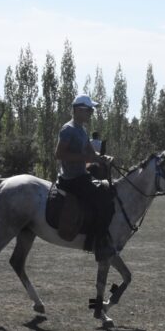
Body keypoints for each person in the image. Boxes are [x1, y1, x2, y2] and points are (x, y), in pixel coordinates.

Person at [54, 95, 115, 261]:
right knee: (104, 200)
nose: (91, 113)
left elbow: (90, 153)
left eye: (91, 110)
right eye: (89, 110)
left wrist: (103, 158)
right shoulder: (68, 129)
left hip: (81, 176)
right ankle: (96, 242)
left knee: (107, 192)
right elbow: (59, 154)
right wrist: (86, 158)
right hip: (71, 179)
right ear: (79, 110)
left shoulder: (81, 129)